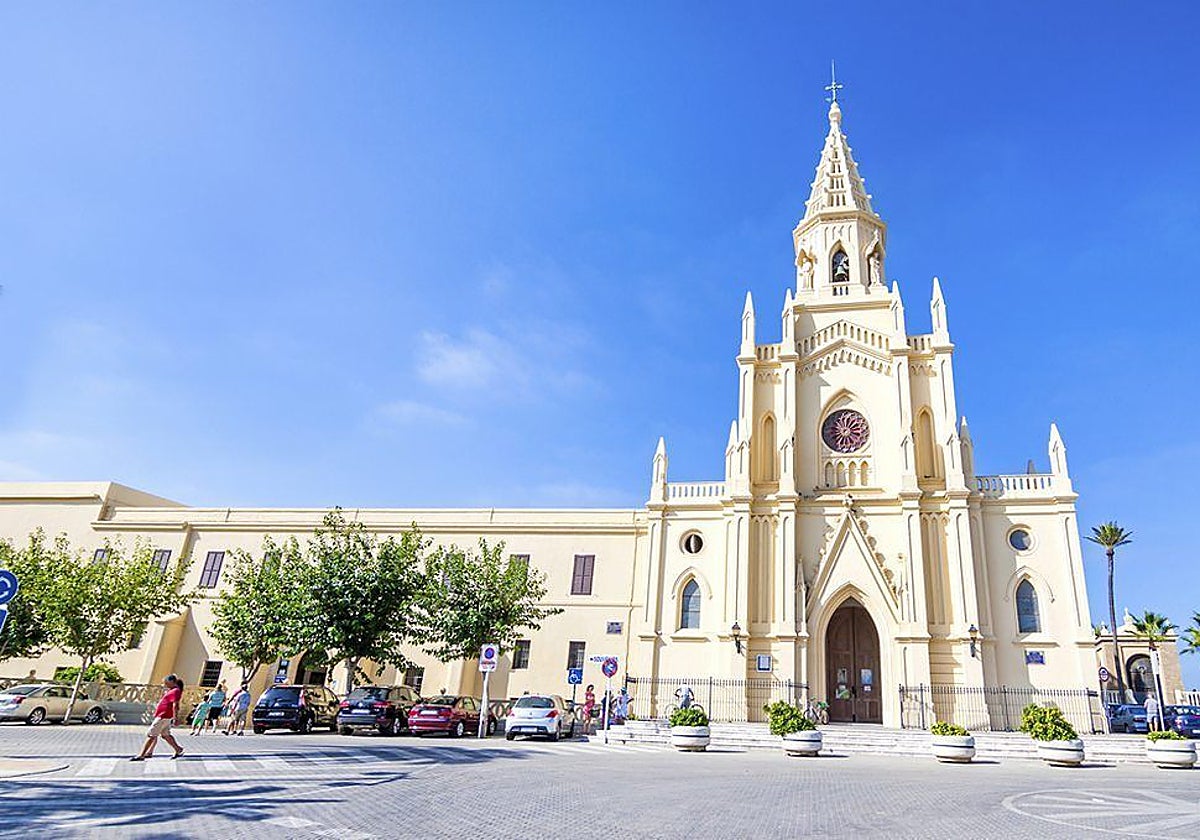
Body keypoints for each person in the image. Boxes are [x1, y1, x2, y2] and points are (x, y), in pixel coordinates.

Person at [132, 674, 184, 761]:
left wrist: (175, 718)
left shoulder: (175, 691)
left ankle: (142, 755)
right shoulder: (172, 690)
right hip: (164, 716)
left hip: (164, 716)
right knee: (165, 735)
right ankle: (178, 749)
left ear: (171, 682)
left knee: (151, 735)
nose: (165, 685)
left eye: (166, 683)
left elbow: (175, 705)